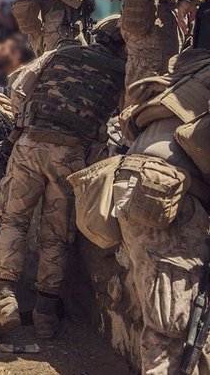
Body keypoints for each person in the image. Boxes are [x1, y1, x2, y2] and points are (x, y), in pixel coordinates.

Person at [0, 16, 125, 339]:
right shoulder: (121, 73)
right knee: (56, 235)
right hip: (71, 155)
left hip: (30, 143)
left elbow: (19, 87)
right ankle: (45, 315)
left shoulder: (62, 55)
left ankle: (4, 301)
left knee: (13, 222)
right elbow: (122, 120)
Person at [104, 47, 210, 373]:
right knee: (172, 326)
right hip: (166, 198)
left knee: (166, 318)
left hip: (137, 186)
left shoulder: (192, 72)